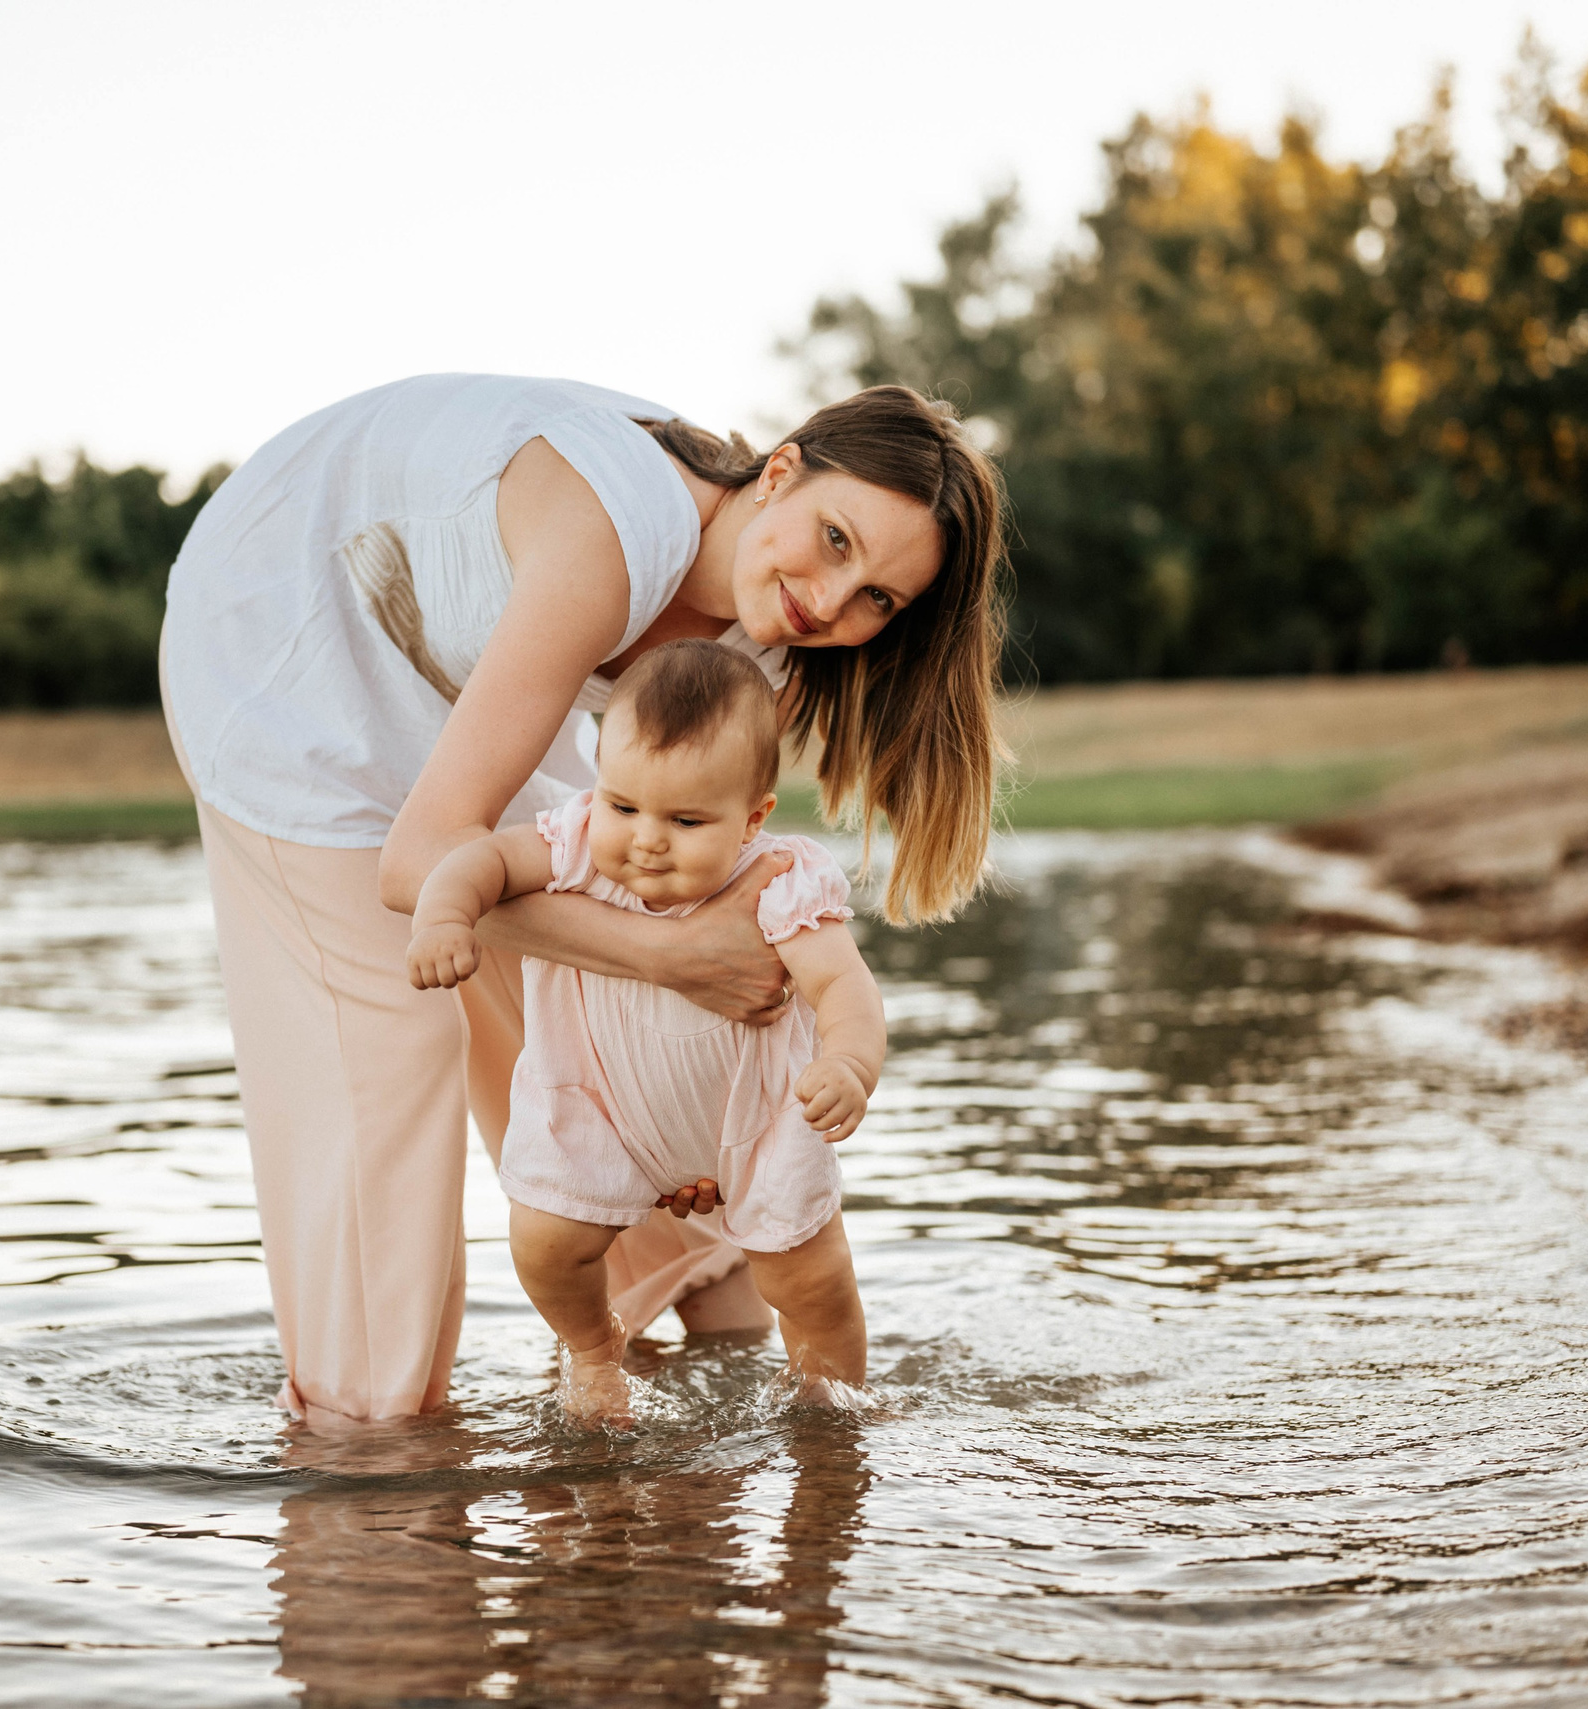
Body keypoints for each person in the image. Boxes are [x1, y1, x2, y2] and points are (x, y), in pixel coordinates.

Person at [160, 373, 1003, 1428]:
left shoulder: (768, 639)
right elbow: (417, 864)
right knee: (397, 1034)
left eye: (878, 596)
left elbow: (679, 934)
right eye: (835, 540)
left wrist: (689, 1120)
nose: (832, 603)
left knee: (626, 913)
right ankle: (368, 1461)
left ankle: (720, 1376)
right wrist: (666, 959)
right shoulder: (610, 534)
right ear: (779, 469)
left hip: (445, 660)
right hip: (285, 625)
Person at [407, 641, 886, 1421]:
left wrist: (851, 1063)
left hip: (753, 1125)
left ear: (752, 819)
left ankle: (830, 1407)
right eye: (623, 805)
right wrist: (444, 914)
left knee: (810, 1278)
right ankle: (595, 1350)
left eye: (686, 818)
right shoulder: (573, 846)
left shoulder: (776, 882)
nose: (646, 837)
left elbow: (844, 985)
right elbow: (480, 860)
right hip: (606, 1111)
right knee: (544, 1240)